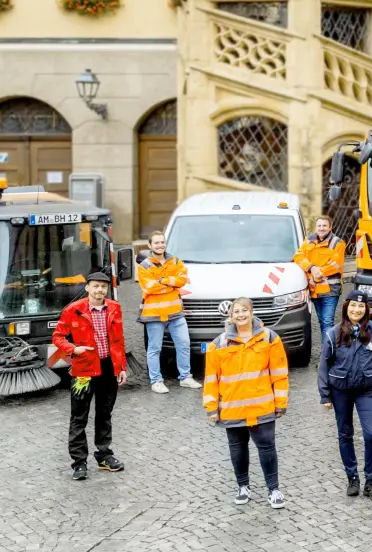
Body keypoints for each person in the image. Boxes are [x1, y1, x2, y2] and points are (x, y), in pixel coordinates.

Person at [204, 297, 290, 509]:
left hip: (262, 407)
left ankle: (274, 489)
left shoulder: (270, 338)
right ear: (230, 316)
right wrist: (211, 407)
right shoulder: (218, 344)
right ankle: (243, 486)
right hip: (233, 408)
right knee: (237, 448)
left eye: (244, 311)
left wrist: (281, 402)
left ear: (252, 312)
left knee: (267, 448)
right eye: (236, 312)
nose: (240, 315)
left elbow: (279, 373)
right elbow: (211, 378)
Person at [51, 272, 128, 480]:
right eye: (95, 286)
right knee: (79, 417)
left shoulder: (114, 308)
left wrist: (121, 367)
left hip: (109, 369)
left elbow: (118, 340)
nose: (99, 290)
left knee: (105, 414)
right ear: (87, 288)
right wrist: (73, 349)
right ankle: (79, 462)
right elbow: (57, 337)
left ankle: (104, 456)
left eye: (103, 287)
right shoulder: (73, 310)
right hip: (83, 371)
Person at [319, 292, 372, 501]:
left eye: (361, 307)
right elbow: (324, 364)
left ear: (366, 310)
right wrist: (325, 395)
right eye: (353, 306)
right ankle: (352, 477)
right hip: (340, 390)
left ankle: (371, 481)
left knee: (371, 435)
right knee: (345, 434)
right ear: (346, 308)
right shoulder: (334, 334)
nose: (356, 310)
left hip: (367, 389)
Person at [136, 230, 197, 395]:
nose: (160, 245)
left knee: (184, 344)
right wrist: (172, 283)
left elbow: (182, 280)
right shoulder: (144, 266)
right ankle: (156, 381)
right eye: (156, 243)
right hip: (154, 315)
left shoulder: (176, 261)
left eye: (162, 242)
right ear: (150, 245)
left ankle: (185, 377)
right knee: (155, 348)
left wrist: (162, 280)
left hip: (176, 313)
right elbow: (149, 287)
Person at [294, 216, 346, 342]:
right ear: (316, 227)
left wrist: (316, 275)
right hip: (315, 290)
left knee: (327, 322)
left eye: (324, 226)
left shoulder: (338, 243)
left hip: (330, 290)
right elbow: (298, 256)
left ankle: (326, 356)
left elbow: (335, 265)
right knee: (322, 322)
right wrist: (311, 267)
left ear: (330, 227)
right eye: (319, 226)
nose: (321, 228)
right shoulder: (308, 241)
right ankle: (328, 351)